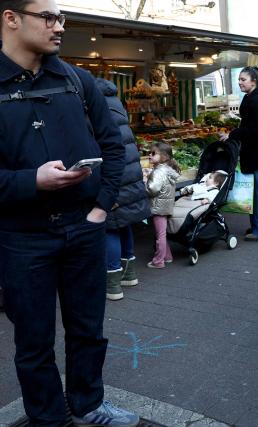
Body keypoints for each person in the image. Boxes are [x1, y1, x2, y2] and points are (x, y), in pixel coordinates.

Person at [0, 0, 139, 425]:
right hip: (22, 238)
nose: (59, 26)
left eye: (62, 17)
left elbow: (114, 147)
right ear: (10, 18)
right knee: (34, 342)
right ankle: (48, 419)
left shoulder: (78, 81)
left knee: (88, 330)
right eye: (48, 17)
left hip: (84, 229)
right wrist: (31, 181)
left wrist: (101, 208)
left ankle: (88, 405)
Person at [96, 78, 151, 301]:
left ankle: (113, 285)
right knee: (125, 223)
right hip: (130, 175)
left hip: (113, 176)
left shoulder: (96, 109)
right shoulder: (117, 105)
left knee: (109, 226)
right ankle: (130, 274)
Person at [227, 66, 258, 242]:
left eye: (243, 79)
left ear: (254, 81)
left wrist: (233, 134)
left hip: (256, 152)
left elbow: (256, 128)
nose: (239, 82)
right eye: (239, 79)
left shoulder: (255, 100)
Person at [145, 141, 180, 268]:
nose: (149, 155)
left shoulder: (158, 172)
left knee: (159, 235)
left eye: (153, 153)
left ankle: (159, 260)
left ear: (164, 157)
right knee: (161, 234)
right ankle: (167, 256)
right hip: (166, 206)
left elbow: (152, 189)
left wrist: (145, 183)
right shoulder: (167, 170)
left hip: (158, 206)